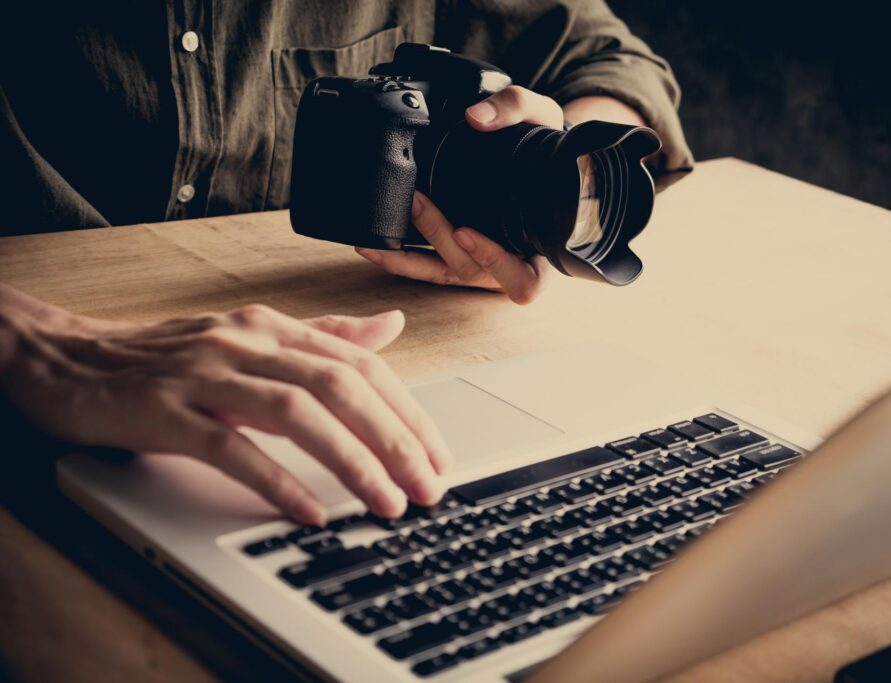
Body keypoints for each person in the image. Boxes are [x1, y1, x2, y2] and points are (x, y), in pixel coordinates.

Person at [0, 1, 693, 523]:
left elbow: (612, 57)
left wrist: (551, 152)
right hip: (46, 403)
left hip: (375, 376)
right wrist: (29, 343)